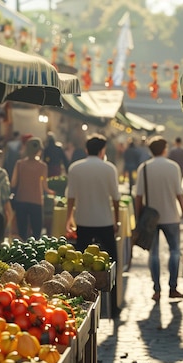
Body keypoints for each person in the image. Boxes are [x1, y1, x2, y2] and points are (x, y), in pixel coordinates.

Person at [66, 134, 121, 316]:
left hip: (83, 221)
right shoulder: (109, 168)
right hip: (105, 221)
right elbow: (116, 198)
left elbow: (71, 197)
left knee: (81, 266)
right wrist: (117, 220)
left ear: (86, 149)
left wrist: (69, 219)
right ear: (102, 150)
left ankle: (81, 305)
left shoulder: (75, 168)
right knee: (112, 264)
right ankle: (113, 307)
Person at [135, 137, 183, 301]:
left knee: (154, 254)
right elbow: (179, 194)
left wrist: (138, 218)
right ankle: (173, 288)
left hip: (151, 218)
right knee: (175, 251)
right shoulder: (173, 167)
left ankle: (157, 290)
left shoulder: (143, 168)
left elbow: (138, 197)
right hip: (171, 216)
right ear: (165, 149)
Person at [11, 137, 55, 240]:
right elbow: (44, 186)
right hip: (37, 201)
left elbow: (13, 183)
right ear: (39, 150)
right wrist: (51, 192)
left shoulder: (19, 164)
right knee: (36, 233)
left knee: (22, 232)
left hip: (21, 200)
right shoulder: (43, 166)